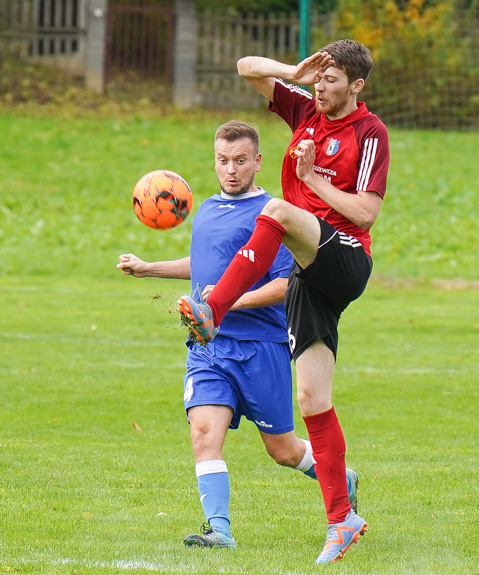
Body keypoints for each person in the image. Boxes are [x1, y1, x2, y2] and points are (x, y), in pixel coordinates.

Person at [177, 40, 390, 564]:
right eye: (318, 77)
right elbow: (244, 66)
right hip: (306, 278)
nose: (320, 87)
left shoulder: (370, 132)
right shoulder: (304, 109)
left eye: (332, 79)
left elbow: (364, 214)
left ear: (357, 86)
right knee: (313, 401)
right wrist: (295, 70)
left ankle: (214, 309)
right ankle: (343, 518)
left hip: (343, 256)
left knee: (276, 208)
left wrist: (315, 178)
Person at [118, 120, 358, 550]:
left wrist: (226, 303)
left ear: (258, 162)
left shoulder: (275, 215)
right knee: (204, 433)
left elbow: (287, 286)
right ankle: (220, 531)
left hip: (260, 349)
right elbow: (206, 265)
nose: (231, 170)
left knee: (282, 450)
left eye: (240, 161)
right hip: (208, 347)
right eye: (223, 161)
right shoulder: (206, 208)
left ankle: (340, 477)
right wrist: (148, 267)